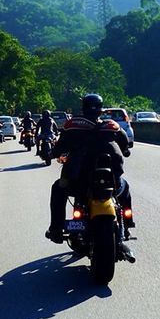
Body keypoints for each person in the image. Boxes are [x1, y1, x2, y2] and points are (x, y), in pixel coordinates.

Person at [45, 93, 135, 244]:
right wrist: (124, 150)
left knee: (58, 189)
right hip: (111, 181)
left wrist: (52, 154)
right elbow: (125, 143)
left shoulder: (72, 125)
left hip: (78, 181)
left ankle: (56, 228)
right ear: (101, 110)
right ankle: (127, 225)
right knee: (125, 188)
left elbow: (59, 148)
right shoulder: (112, 126)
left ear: (83, 108)